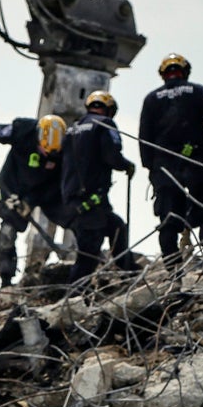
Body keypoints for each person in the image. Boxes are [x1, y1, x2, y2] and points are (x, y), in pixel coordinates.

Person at [139, 53, 203, 263]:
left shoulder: (151, 99)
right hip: (197, 163)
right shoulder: (197, 92)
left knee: (169, 221)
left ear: (164, 75)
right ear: (185, 72)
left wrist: (151, 169)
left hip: (165, 168)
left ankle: (174, 272)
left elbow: (144, 138)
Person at [0, 114, 70, 287]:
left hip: (44, 190)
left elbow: (55, 183)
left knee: (73, 219)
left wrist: (30, 201)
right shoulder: (22, 130)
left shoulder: (66, 151)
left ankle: (78, 264)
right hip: (12, 185)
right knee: (7, 231)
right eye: (44, 150)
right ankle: (7, 278)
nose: (47, 154)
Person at [61, 91, 138, 283]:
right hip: (90, 202)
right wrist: (126, 165)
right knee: (88, 256)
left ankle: (129, 272)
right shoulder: (105, 124)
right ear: (110, 110)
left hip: (74, 202)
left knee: (116, 226)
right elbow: (112, 156)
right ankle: (74, 297)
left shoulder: (72, 130)